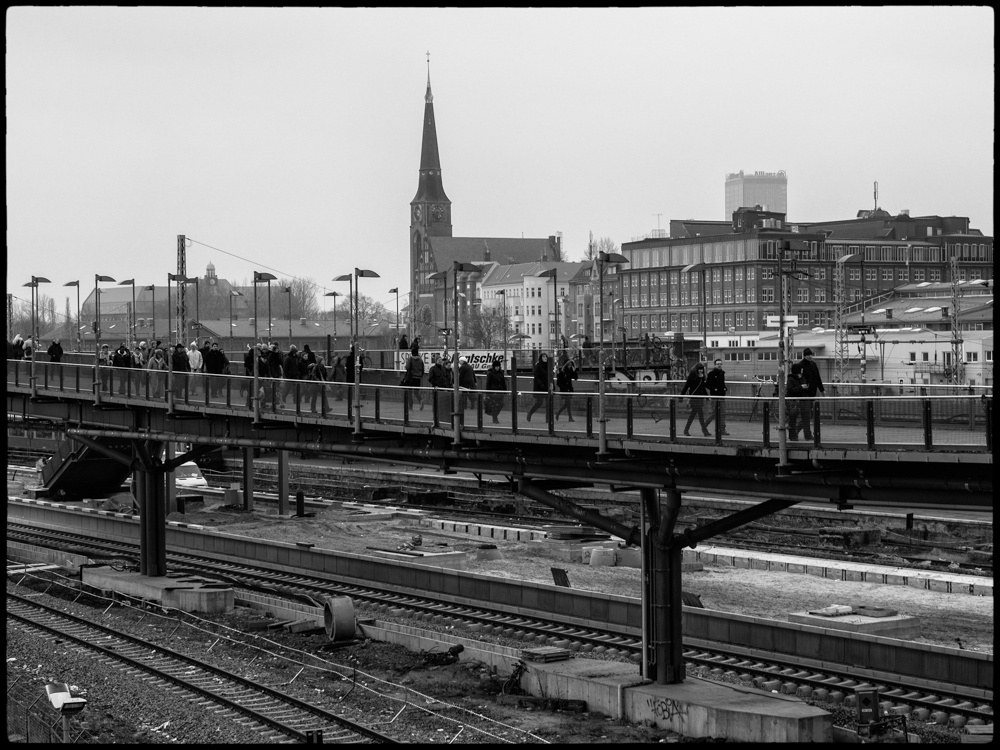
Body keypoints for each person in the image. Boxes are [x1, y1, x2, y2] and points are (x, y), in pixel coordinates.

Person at [798, 348, 824, 441]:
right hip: (804, 394)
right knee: (807, 414)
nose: (810, 356)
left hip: (812, 393)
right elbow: (798, 379)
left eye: (811, 354)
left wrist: (822, 390)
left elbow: (817, 378)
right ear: (804, 355)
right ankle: (807, 434)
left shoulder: (813, 364)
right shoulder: (800, 366)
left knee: (809, 414)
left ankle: (796, 430)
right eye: (808, 355)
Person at [680, 362, 710, 437]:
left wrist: (707, 397)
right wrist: (681, 397)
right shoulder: (692, 376)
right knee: (699, 415)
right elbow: (686, 386)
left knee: (694, 415)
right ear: (696, 369)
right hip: (694, 398)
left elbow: (703, 388)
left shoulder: (702, 377)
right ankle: (704, 431)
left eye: (702, 369)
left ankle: (687, 430)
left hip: (700, 398)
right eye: (699, 369)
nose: (701, 371)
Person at [704, 358, 729, 435]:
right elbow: (707, 384)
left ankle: (722, 429)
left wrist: (725, 388)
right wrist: (714, 389)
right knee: (715, 413)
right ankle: (704, 425)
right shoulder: (711, 374)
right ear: (715, 365)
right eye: (718, 364)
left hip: (721, 396)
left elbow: (722, 383)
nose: (719, 365)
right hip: (715, 396)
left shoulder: (722, 374)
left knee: (723, 413)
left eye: (720, 364)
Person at [525, 353, 551, 422]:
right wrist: (540, 384)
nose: (545, 358)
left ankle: (548, 418)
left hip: (547, 386)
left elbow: (550, 376)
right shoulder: (538, 366)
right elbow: (536, 377)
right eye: (543, 357)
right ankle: (530, 413)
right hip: (541, 387)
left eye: (546, 356)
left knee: (548, 403)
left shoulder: (548, 365)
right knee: (539, 402)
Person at [786, 362, 807, 440]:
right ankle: (792, 435)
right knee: (792, 418)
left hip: (801, 400)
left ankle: (795, 431)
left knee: (806, 416)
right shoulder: (791, 379)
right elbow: (790, 390)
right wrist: (801, 387)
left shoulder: (801, 378)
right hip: (793, 400)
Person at [402, 342, 426, 410]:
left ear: (412, 353)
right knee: (416, 391)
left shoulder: (410, 359)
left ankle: (410, 406)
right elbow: (423, 369)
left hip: (411, 378)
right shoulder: (421, 360)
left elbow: (407, 367)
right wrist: (420, 375)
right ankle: (420, 400)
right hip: (418, 378)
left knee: (409, 392)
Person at [484, 358, 507, 423]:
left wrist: (505, 390)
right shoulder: (490, 373)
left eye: (498, 366)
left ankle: (494, 415)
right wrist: (488, 393)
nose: (497, 368)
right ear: (494, 367)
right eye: (496, 366)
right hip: (493, 392)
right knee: (495, 405)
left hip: (500, 391)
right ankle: (495, 418)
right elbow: (488, 383)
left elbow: (503, 382)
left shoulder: (500, 373)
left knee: (501, 404)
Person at [281, 344, 301, 408]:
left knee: (296, 389)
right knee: (287, 388)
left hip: (295, 375)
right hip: (290, 376)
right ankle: (283, 397)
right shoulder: (288, 359)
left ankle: (295, 400)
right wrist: (287, 375)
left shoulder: (295, 358)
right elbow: (285, 368)